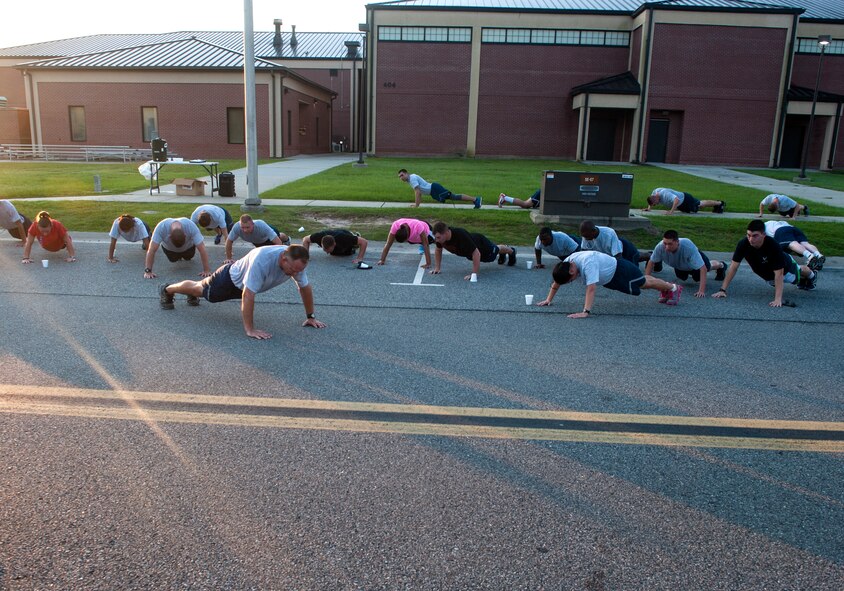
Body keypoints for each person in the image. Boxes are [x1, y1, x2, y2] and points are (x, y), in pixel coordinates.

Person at [159, 244, 326, 339]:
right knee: (200, 289)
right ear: (283, 258)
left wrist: (310, 317)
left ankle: (187, 292)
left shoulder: (296, 263)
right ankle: (167, 289)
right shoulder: (262, 260)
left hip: (241, 284)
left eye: (299, 270)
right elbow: (248, 295)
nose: (295, 274)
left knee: (198, 289)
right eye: (293, 270)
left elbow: (304, 288)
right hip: (228, 281)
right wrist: (250, 329)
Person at [538, 250, 683, 317]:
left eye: (571, 280)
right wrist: (548, 299)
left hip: (621, 272)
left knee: (644, 283)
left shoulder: (588, 263)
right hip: (611, 277)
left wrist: (585, 312)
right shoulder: (567, 263)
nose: (573, 281)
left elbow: (591, 289)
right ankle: (667, 288)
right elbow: (557, 282)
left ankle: (673, 288)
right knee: (644, 281)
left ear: (571, 271)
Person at [713, 219, 818, 307]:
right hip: (769, 275)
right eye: (748, 235)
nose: (750, 239)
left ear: (764, 234)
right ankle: (805, 277)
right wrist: (722, 290)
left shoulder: (772, 246)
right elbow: (733, 267)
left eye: (755, 236)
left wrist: (778, 299)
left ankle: (812, 276)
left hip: (786, 268)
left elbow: (779, 274)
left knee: (798, 273)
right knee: (774, 282)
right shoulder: (743, 244)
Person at [644, 230, 727, 298]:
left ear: (677, 242)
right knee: (682, 277)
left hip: (694, 263)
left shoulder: (687, 246)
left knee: (705, 270)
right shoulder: (660, 246)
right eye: (665, 243)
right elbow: (651, 261)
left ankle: (721, 265)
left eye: (670, 244)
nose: (667, 247)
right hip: (681, 264)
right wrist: (646, 281)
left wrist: (701, 291)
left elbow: (703, 268)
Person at [431, 221, 516, 279]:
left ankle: (511, 251)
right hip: (470, 252)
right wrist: (437, 268)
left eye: (438, 237)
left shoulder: (460, 234)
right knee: (474, 256)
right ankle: (503, 251)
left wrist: (474, 274)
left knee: (493, 253)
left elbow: (476, 254)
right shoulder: (440, 239)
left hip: (482, 245)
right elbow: (438, 250)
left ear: (446, 233)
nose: (436, 240)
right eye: (436, 237)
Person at [143, 217, 211, 279]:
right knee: (173, 260)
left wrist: (206, 270)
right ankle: (177, 256)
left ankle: (185, 255)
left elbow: (202, 249)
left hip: (188, 248)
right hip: (170, 250)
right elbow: (151, 250)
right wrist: (148, 271)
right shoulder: (161, 227)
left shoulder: (190, 226)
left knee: (188, 257)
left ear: (185, 235)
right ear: (169, 237)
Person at [398, 169, 481, 209]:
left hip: (434, 189)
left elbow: (417, 192)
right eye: (399, 177)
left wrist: (416, 205)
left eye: (402, 175)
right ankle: (475, 200)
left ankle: (476, 199)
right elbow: (418, 192)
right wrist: (417, 204)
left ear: (406, 173)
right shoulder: (410, 179)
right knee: (453, 197)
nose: (401, 178)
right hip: (433, 191)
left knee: (454, 196)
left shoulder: (412, 179)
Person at [224, 214, 289, 264]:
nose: (245, 230)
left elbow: (278, 243)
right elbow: (229, 241)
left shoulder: (261, 225)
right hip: (257, 241)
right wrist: (229, 258)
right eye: (243, 227)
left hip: (268, 238)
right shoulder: (236, 227)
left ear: (253, 224)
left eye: (247, 227)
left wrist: (279, 258)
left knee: (279, 237)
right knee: (263, 256)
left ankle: (287, 240)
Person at [579, 220, 649, 266]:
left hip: (623, 249)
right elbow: (584, 252)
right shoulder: (586, 234)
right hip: (608, 252)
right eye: (584, 237)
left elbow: (618, 257)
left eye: (587, 237)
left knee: (635, 259)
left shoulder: (609, 233)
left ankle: (650, 256)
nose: (586, 239)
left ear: (593, 231)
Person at [303, 228, 368, 263]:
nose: (327, 252)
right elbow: (305, 239)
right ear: (321, 243)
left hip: (344, 235)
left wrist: (359, 258)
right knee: (333, 254)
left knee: (345, 253)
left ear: (334, 244)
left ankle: (355, 236)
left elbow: (364, 242)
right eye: (325, 250)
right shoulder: (318, 237)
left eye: (328, 250)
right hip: (333, 233)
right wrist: (305, 256)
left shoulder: (343, 238)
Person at [644, 187, 725, 214]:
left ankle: (720, 203)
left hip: (686, 199)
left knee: (700, 204)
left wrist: (671, 212)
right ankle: (716, 205)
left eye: (655, 204)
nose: (656, 205)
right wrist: (649, 208)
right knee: (697, 208)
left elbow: (676, 200)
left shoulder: (665, 194)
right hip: (681, 205)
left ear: (656, 198)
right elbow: (651, 201)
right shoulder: (654, 193)